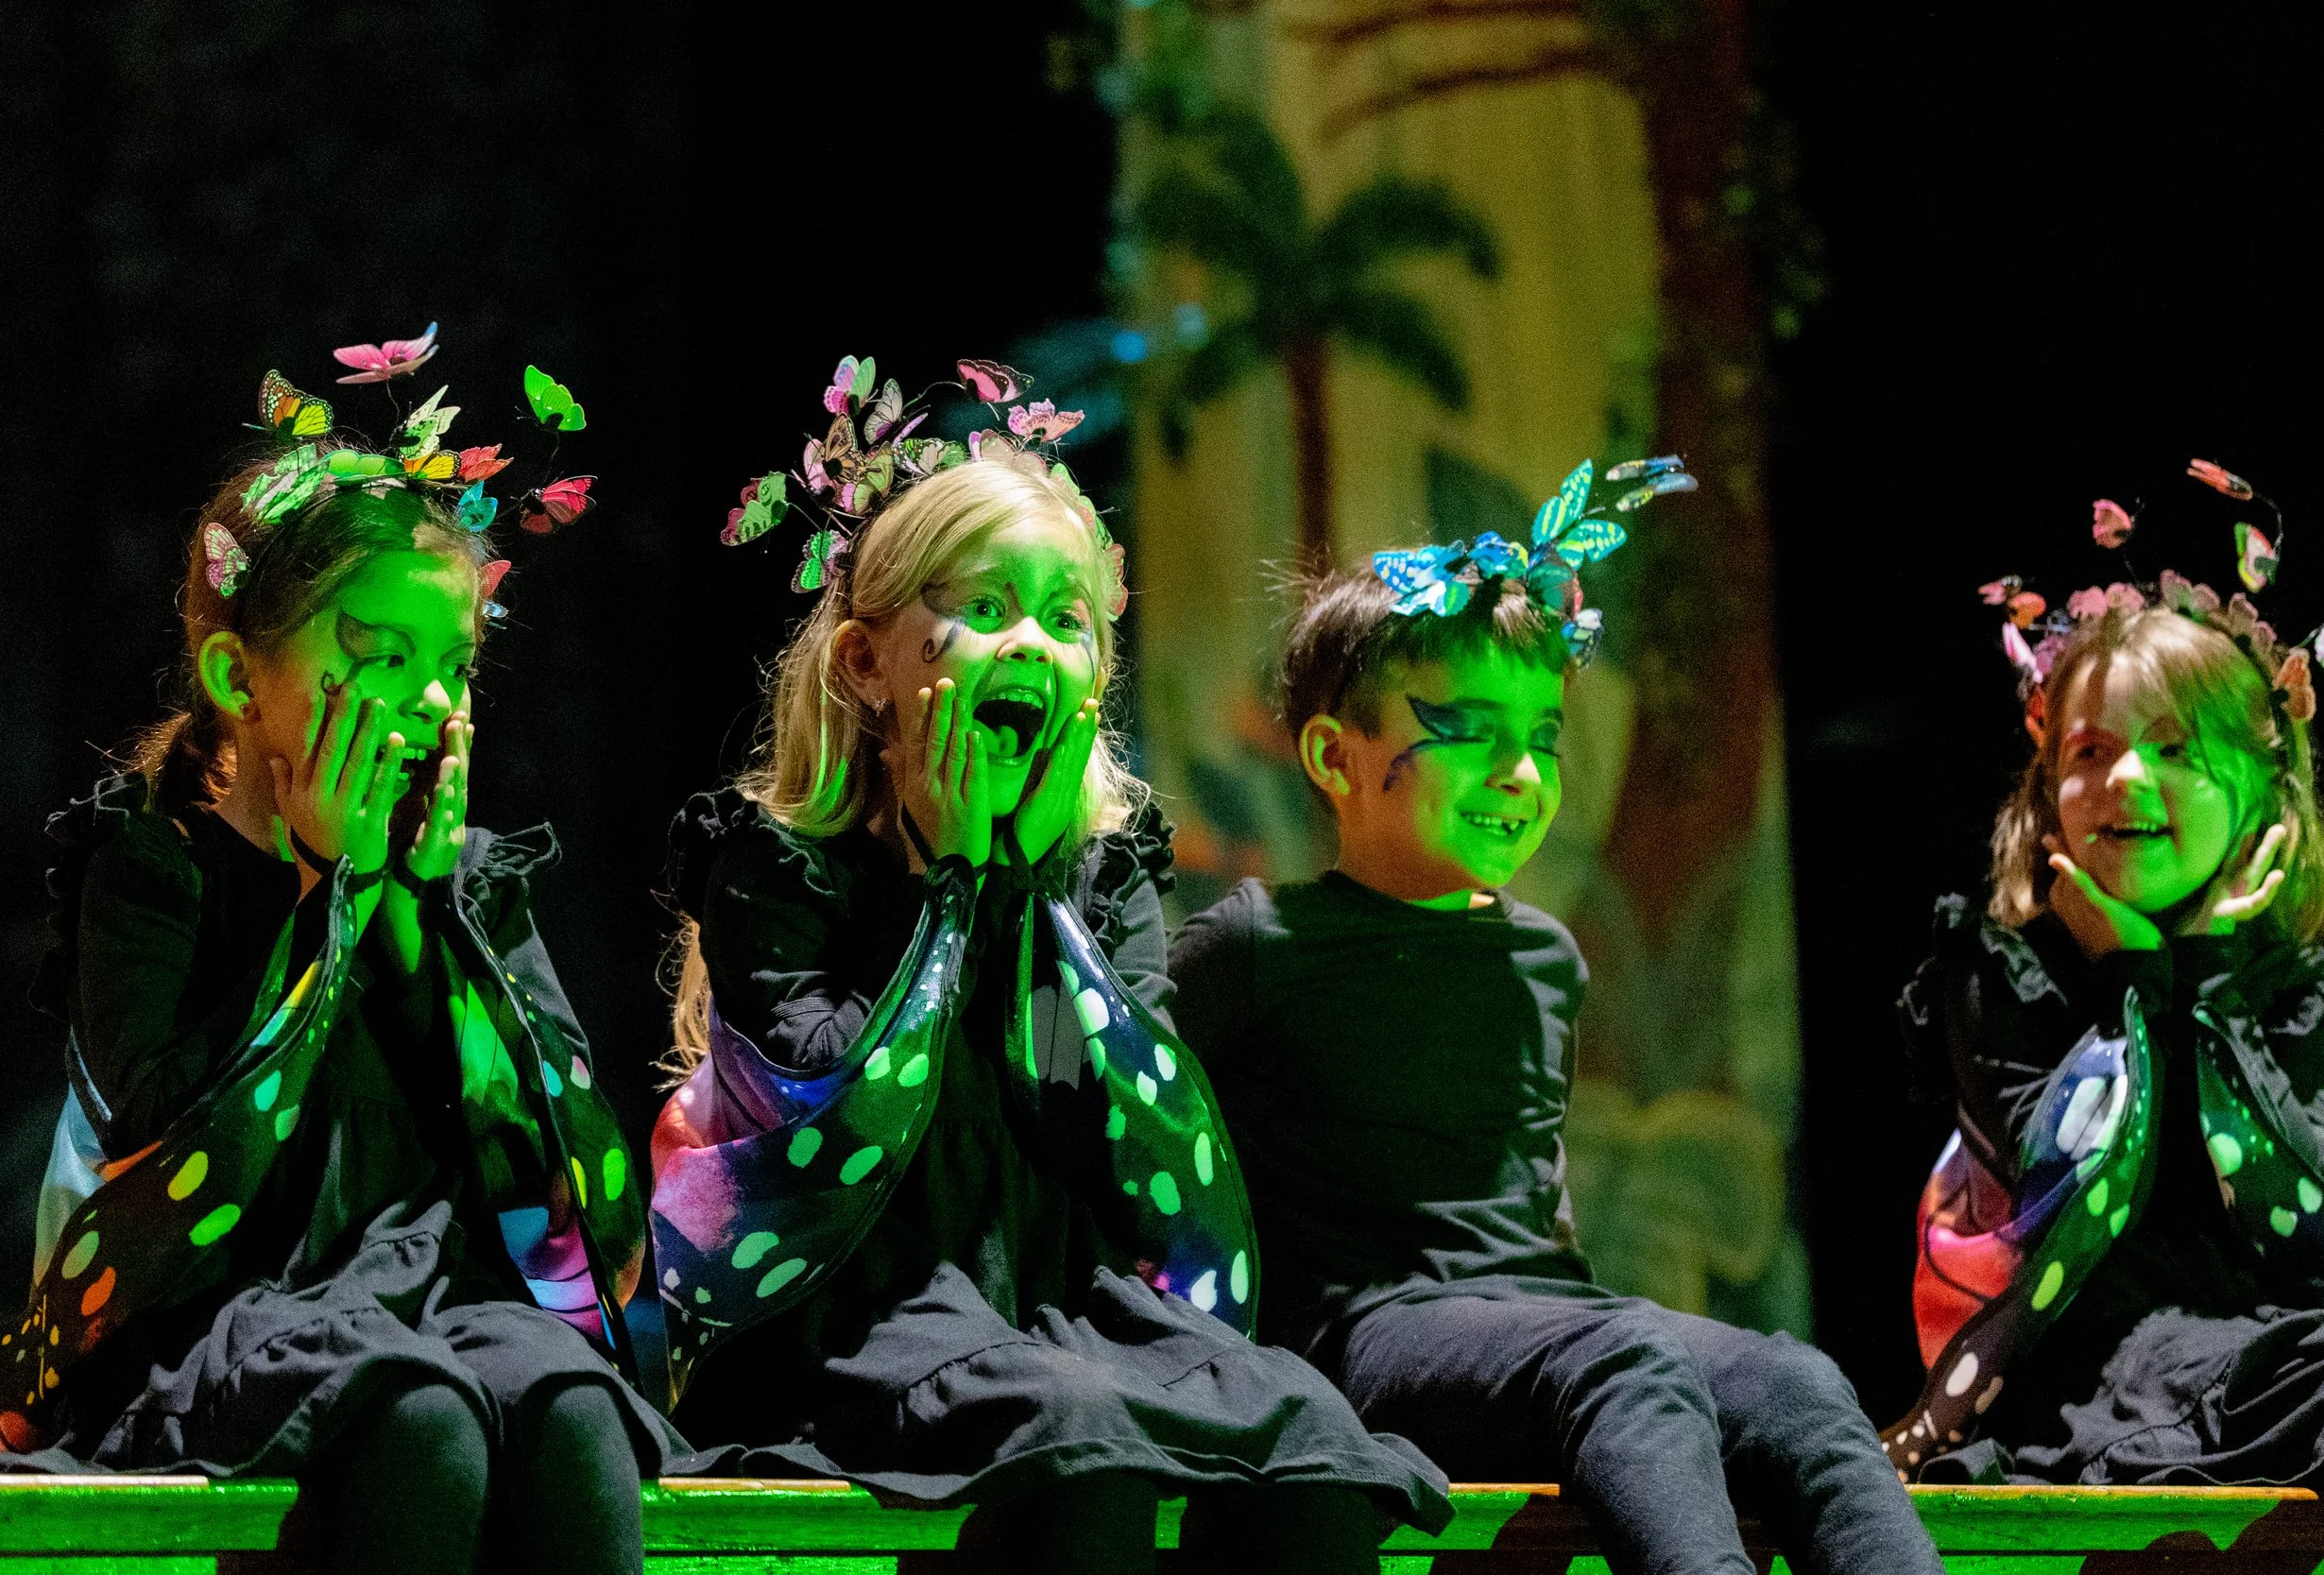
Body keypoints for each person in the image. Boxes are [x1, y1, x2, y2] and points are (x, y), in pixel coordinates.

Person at [653, 357, 1449, 1575]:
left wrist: (1025, 889)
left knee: (1308, 1433)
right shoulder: (776, 870)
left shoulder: (1101, 879)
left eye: (1065, 618)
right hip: (855, 1320)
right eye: (985, 606)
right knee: (1077, 1432)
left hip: (1061, 1311)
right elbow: (843, 1123)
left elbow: (1141, 1145)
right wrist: (954, 878)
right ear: (867, 663)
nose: (1029, 639)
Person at [1167, 462, 1943, 1574]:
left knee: (1797, 1379)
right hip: (1362, 1335)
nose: (1520, 770)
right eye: (1469, 728)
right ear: (1335, 754)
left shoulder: (1542, 954)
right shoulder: (1253, 945)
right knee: (1619, 1355)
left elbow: (1533, 1221)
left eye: (1541, 734)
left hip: (1540, 1321)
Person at [9, 368, 680, 1575]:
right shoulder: (152, 873)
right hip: (219, 1316)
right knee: (417, 1416)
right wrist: (328, 895)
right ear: (236, 679)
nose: (429, 698)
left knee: (574, 1408)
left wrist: (415, 914)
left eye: (454, 663)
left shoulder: (467, 882)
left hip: (438, 1294)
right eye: (377, 653)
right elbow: (180, 1160)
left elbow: (577, 1186)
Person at [1893, 525, 2324, 1488]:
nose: (2127, 777)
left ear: (2262, 787)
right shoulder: (1998, 980)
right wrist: (2137, 979)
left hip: (2298, 1360)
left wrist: (2208, 970)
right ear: (2048, 787)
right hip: (2096, 1381)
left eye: (2173, 746)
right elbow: (2072, 1195)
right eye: (2092, 749)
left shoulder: (2311, 999)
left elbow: (2295, 1213)